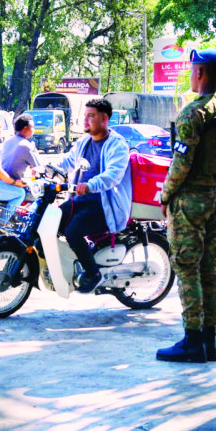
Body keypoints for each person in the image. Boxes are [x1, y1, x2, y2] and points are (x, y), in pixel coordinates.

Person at [156, 49, 216, 364]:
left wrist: (165, 196)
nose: (191, 75)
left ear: (202, 74)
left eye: (193, 70)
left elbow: (180, 165)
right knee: (209, 266)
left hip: (191, 201)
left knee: (186, 266)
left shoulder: (193, 113)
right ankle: (209, 341)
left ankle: (192, 341)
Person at [56, 99, 131, 294]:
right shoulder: (84, 141)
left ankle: (93, 273)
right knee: (50, 221)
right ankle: (74, 263)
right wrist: (45, 170)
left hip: (104, 205)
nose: (86, 121)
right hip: (80, 201)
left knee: (73, 231)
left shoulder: (118, 145)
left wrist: (89, 185)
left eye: (91, 116)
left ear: (104, 119)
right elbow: (67, 161)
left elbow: (113, 174)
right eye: (85, 116)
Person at [1, 113, 42, 181]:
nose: (34, 130)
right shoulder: (26, 145)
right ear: (25, 128)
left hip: (2, 180)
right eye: (32, 127)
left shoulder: (8, 141)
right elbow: (40, 168)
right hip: (13, 183)